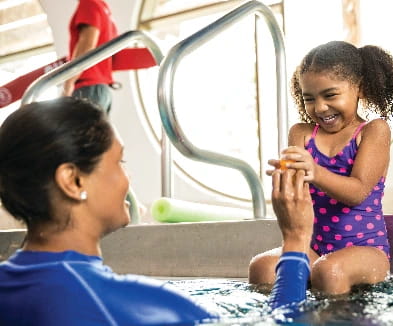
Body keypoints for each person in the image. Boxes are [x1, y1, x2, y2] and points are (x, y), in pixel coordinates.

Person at [0, 97, 313, 325]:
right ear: (73, 179)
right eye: (118, 162)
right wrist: (296, 239)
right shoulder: (135, 305)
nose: (127, 177)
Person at [249, 40, 393, 295]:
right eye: (309, 98)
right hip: (314, 248)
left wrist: (316, 171)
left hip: (366, 251)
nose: (319, 107)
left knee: (328, 270)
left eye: (330, 95)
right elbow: (296, 194)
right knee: (263, 267)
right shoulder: (301, 133)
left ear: (361, 89)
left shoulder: (373, 131)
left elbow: (358, 192)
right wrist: (285, 178)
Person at [63, 0, 117, 113]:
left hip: (87, 89)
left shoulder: (89, 3)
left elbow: (86, 45)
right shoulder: (103, 8)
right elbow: (115, 57)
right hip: (101, 90)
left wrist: (68, 83)